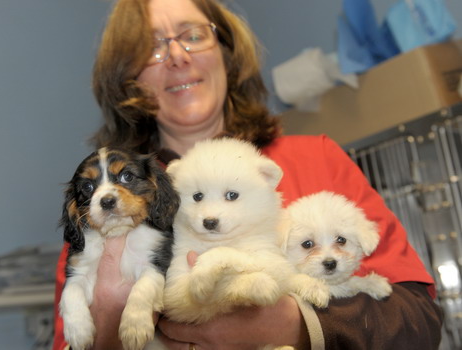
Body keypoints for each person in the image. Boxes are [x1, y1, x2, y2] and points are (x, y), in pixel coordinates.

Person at [52, 0, 443, 349]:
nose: (177, 56)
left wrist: (298, 326)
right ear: (126, 80)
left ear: (226, 52)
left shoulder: (318, 158)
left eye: (193, 35)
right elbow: (73, 334)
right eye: (151, 47)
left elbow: (419, 322)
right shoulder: (112, 211)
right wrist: (108, 331)